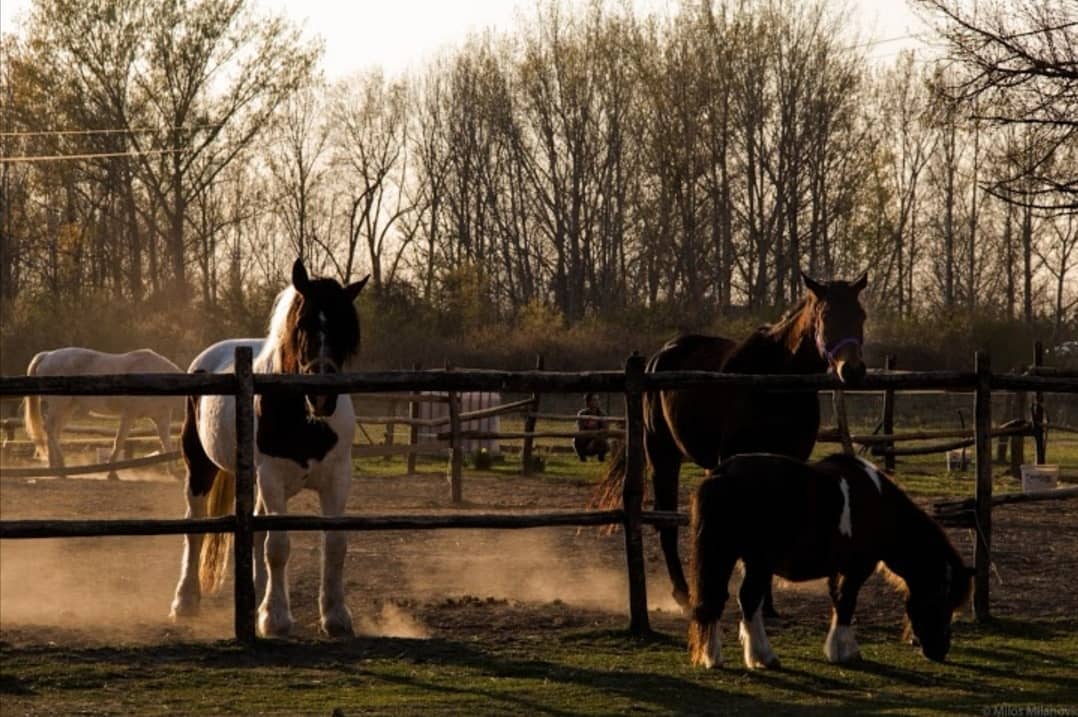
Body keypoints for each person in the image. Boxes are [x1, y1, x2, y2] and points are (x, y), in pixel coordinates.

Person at [573, 393, 609, 462]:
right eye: (594, 400)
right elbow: (581, 429)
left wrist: (594, 440)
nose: (597, 402)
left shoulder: (602, 414)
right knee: (577, 438)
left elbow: (605, 429)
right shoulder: (582, 414)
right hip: (586, 439)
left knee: (603, 442)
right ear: (588, 402)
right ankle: (582, 458)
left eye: (598, 400)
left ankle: (601, 457)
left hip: (598, 439)